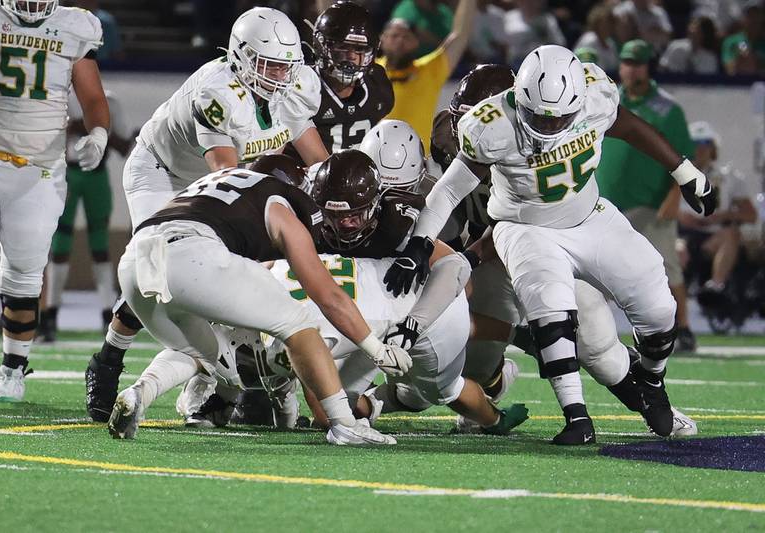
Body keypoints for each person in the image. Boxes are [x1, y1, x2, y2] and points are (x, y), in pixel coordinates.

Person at [385, 44, 717, 444]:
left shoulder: (568, 112)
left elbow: (624, 126)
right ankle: (487, 386)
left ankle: (649, 400)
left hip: (539, 237)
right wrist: (436, 252)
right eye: (460, 118)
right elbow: (450, 208)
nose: (460, 129)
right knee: (463, 352)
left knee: (595, 342)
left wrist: (684, 172)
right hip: (488, 257)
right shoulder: (460, 140)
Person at [85, 7, 330, 422]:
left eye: (285, 67)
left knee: (217, 281)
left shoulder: (296, 86)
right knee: (154, 272)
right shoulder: (218, 92)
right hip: (162, 173)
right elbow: (227, 179)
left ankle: (223, 383)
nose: (278, 76)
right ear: (240, 56)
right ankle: (109, 357)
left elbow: (319, 161)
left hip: (223, 179)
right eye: (267, 65)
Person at [110, 160, 409, 446]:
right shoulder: (279, 203)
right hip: (191, 254)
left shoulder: (222, 184)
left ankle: (139, 392)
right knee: (298, 324)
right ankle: (345, 424)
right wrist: (376, 349)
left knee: (206, 352)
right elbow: (327, 296)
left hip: (135, 261)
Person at [184, 252, 530, 436]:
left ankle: (493, 419)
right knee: (362, 374)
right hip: (390, 289)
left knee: (445, 388)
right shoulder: (268, 274)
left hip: (424, 320)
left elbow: (323, 408)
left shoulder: (299, 335)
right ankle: (521, 335)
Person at [0, 0, 109, 401]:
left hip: (41, 169)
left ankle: (12, 370)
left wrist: (98, 132)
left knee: (24, 276)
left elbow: (93, 96)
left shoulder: (74, 27)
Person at [599, 40, 698, 353]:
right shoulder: (609, 100)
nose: (631, 69)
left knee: (668, 266)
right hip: (607, 202)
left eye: (638, 63)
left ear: (649, 67)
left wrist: (674, 196)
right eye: (627, 62)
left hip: (650, 203)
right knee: (596, 269)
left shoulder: (667, 109)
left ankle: (684, 328)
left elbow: (685, 158)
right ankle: (591, 329)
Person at [40, 91, 136, 342]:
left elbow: (125, 146)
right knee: (59, 245)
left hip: (97, 175)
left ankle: (107, 314)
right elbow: (43, 141)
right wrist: (69, 129)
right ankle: (51, 313)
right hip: (66, 172)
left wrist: (100, 131)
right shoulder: (60, 96)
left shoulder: (110, 101)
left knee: (100, 244)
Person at [285, 1, 393, 156]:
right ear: (321, 46)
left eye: (359, 49)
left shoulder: (376, 83)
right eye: (342, 47)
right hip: (306, 176)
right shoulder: (302, 84)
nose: (351, 56)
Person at [377, 0, 476, 149]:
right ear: (382, 39)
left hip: (417, 160)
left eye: (406, 37)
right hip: (372, 155)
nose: (400, 41)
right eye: (394, 35)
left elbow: (460, 35)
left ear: (416, 43)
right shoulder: (368, 70)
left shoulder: (429, 71)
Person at [679, 121, 758, 306]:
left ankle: (715, 287)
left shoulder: (728, 177)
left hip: (712, 236)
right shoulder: (673, 175)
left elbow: (750, 214)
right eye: (694, 143)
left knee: (732, 235)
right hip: (681, 233)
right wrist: (679, 216)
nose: (699, 149)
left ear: (713, 148)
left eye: (704, 143)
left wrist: (724, 216)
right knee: (677, 249)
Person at [503, 0, 565, 68]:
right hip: (517, 61)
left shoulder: (547, 19)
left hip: (542, 61)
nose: (529, 3)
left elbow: (559, 43)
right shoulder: (509, 17)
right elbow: (505, 43)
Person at [721, 0, 765, 76]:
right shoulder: (730, 41)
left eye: (756, 15)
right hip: (738, 85)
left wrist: (756, 62)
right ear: (744, 18)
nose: (754, 20)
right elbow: (729, 70)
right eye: (750, 15)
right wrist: (740, 60)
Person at [574, 4, 619, 73]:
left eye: (610, 23)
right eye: (604, 24)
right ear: (596, 23)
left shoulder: (610, 43)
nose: (608, 27)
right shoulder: (589, 39)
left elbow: (615, 67)